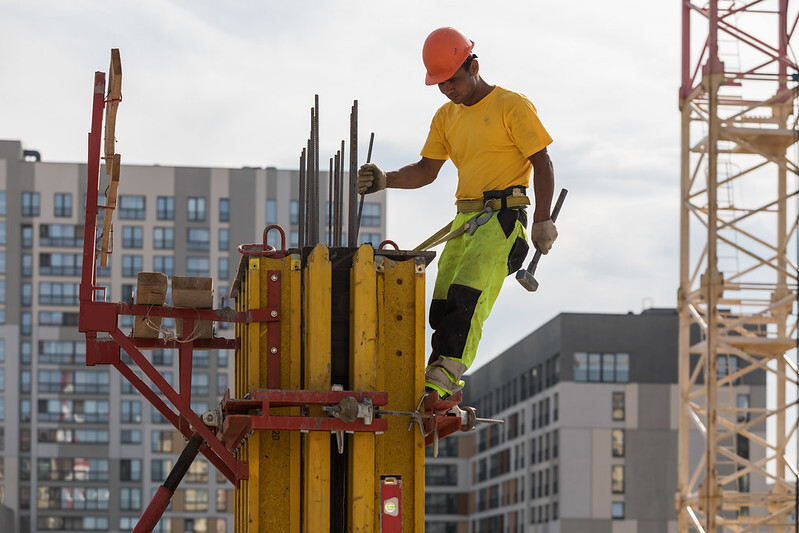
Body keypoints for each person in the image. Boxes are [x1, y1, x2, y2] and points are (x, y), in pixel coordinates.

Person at [357, 26, 558, 399]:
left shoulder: (511, 105)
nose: (448, 90)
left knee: (468, 297)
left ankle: (443, 384)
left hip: (502, 217)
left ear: (474, 66)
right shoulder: (445, 118)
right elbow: (425, 171)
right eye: (440, 84)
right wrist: (385, 180)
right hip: (467, 219)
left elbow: (542, 162)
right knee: (443, 303)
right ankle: (429, 377)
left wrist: (543, 219)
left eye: (453, 80)